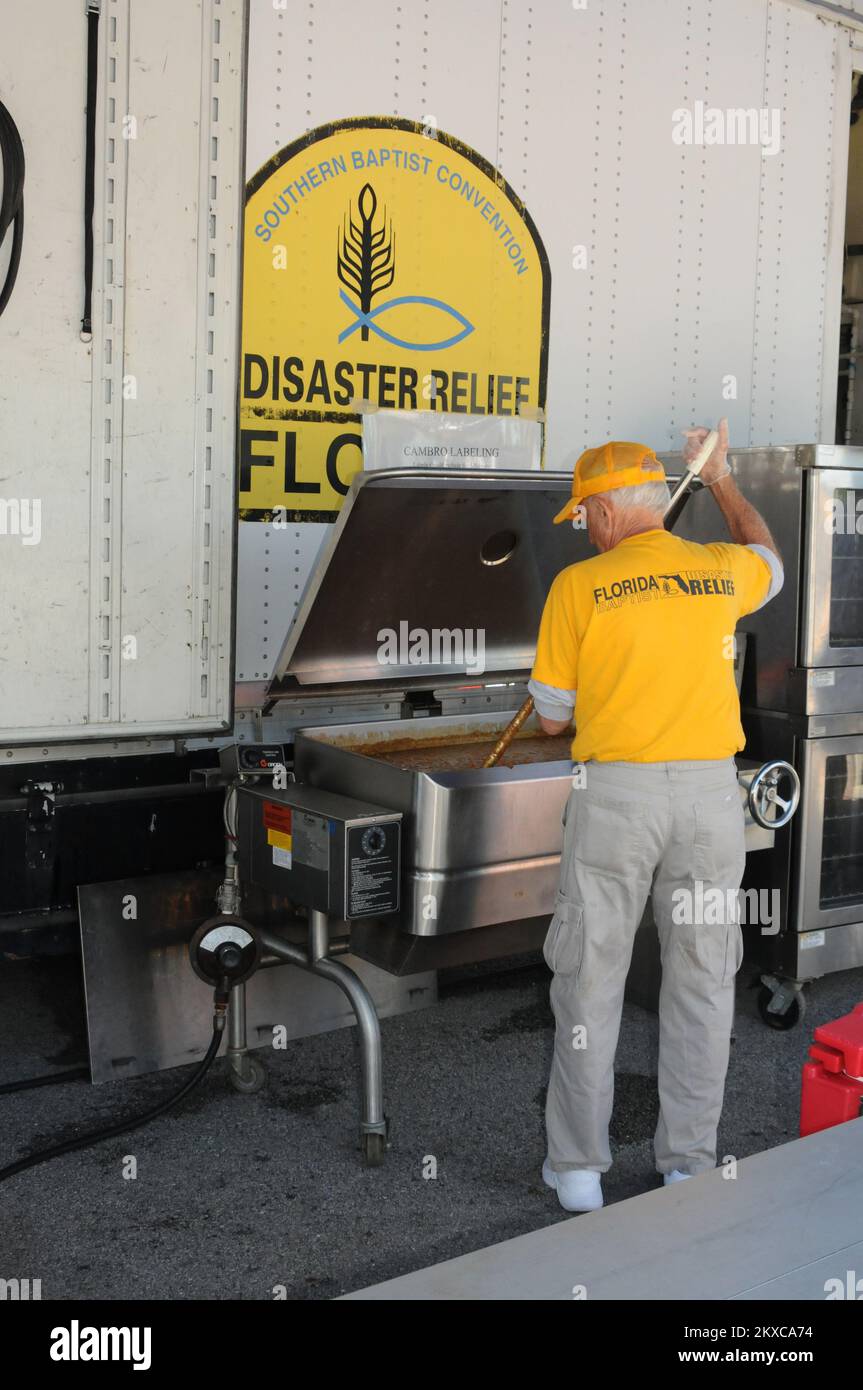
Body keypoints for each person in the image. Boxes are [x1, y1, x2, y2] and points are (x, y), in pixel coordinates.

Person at [528, 420, 783, 1213]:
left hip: (616, 805)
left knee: (589, 979)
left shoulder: (578, 586)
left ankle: (577, 1170)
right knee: (704, 981)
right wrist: (722, 479)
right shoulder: (716, 570)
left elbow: (548, 719)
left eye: (583, 515)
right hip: (712, 803)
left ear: (607, 512)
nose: (583, 527)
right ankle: (686, 1162)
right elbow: (769, 556)